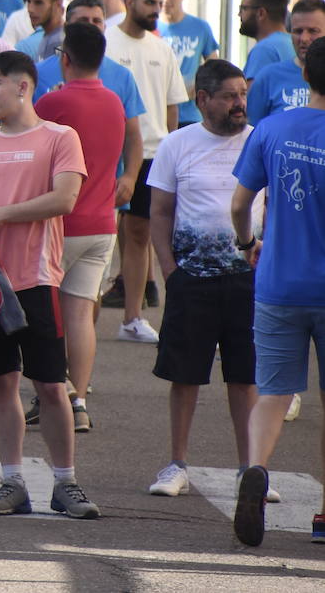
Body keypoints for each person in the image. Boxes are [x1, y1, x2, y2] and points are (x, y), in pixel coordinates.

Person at [0, 51, 99, 520]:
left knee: (52, 385)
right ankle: (12, 481)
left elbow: (64, 198)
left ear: (23, 86)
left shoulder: (60, 137)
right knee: (0, 384)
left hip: (38, 280)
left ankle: (66, 483)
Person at [146, 59, 261, 503]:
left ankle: (249, 468)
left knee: (246, 378)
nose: (240, 104)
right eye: (230, 96)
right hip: (191, 280)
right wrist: (169, 271)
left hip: (248, 282)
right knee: (185, 375)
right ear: (202, 100)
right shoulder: (177, 144)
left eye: (243, 95)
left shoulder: (258, 141)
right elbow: (159, 212)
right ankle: (176, 463)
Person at [230, 38, 325, 547]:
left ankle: (256, 468)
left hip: (279, 282)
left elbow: (240, 201)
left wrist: (248, 242)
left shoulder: (271, 128)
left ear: (304, 74)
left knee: (272, 394)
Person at [33, 23, 127, 431]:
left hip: (59, 223)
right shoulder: (114, 102)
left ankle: (53, 393)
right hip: (102, 223)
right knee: (80, 314)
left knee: (45, 316)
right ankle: (80, 401)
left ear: (64, 59)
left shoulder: (55, 103)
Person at [103, 0, 186, 342]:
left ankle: (132, 318)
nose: (157, 9)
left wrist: (170, 149)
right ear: (129, 0)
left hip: (151, 153)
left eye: (160, 1)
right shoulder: (105, 39)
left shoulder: (162, 48)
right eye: (150, 2)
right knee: (100, 237)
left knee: (140, 234)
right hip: (106, 151)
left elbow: (171, 109)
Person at [247, 0, 325, 124]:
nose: (304, 38)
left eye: (313, 31)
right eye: (298, 31)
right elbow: (251, 130)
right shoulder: (268, 77)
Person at [159, 0, 219, 127]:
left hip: (190, 114)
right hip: (158, 114)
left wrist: (201, 85)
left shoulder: (200, 27)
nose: (166, 0)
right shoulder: (151, 29)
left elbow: (214, 66)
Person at [238, 0, 294, 83]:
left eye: (243, 8)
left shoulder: (264, 50)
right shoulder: (294, 44)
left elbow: (252, 96)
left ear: (261, 13)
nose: (239, 14)